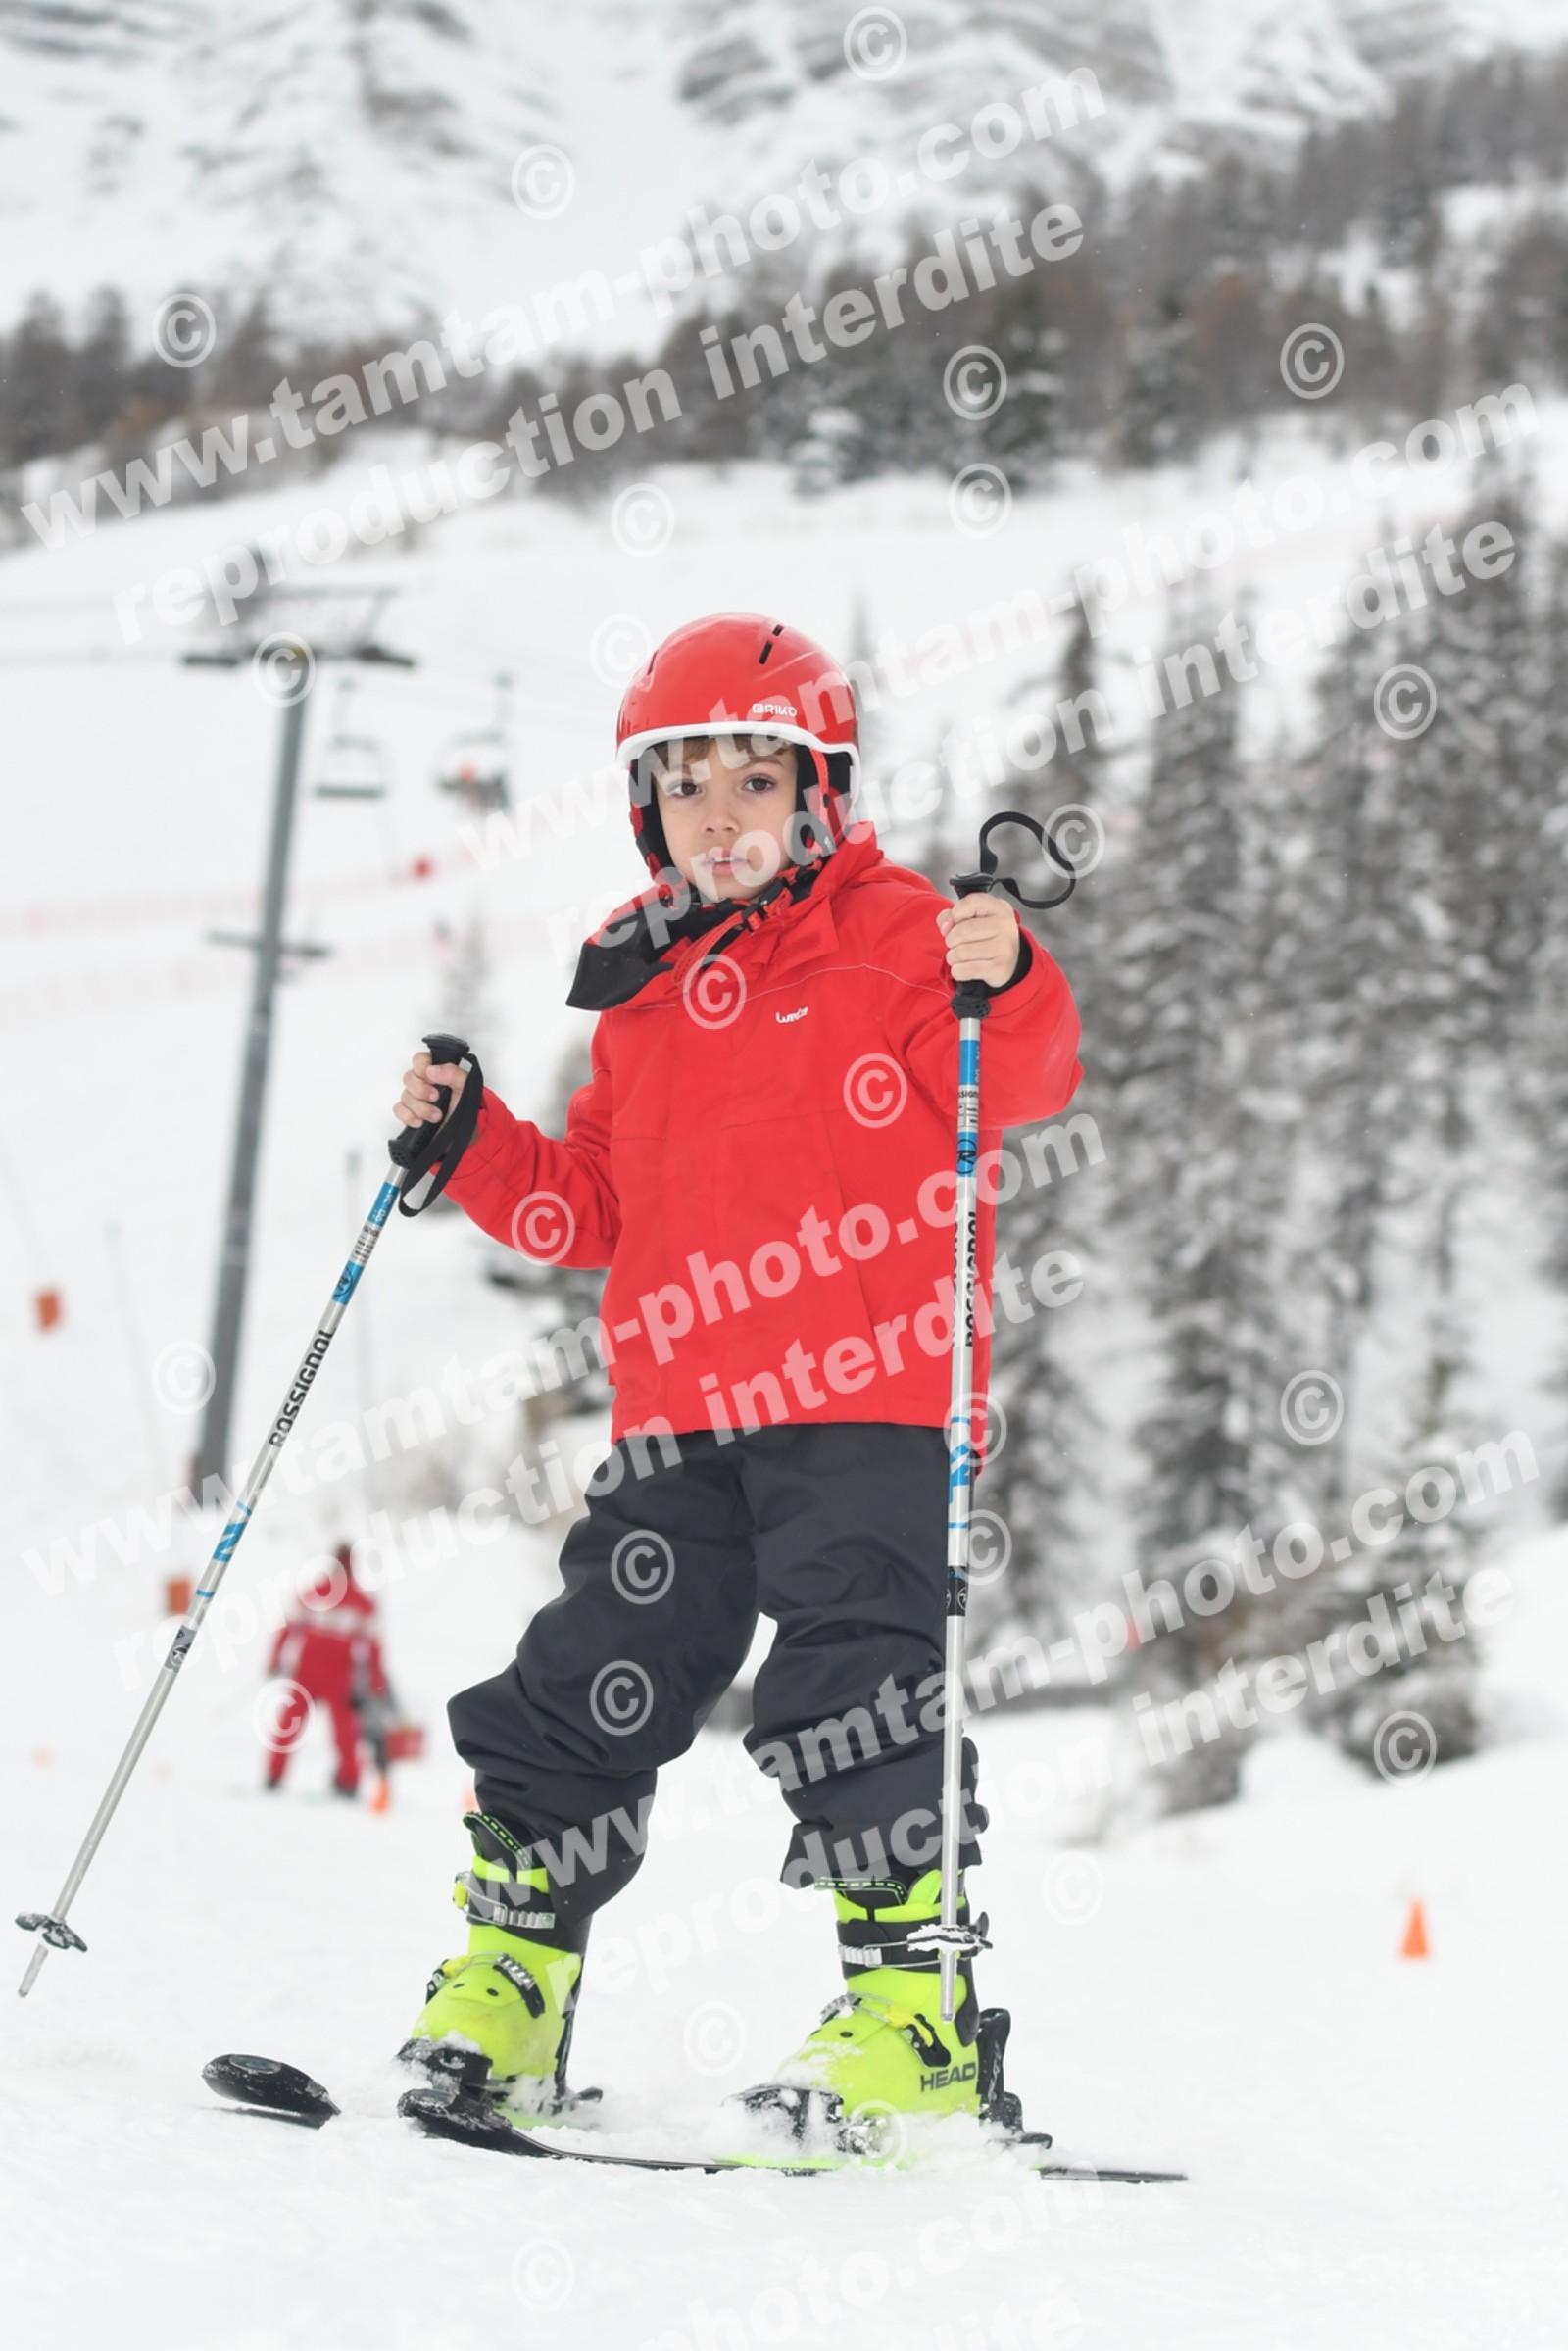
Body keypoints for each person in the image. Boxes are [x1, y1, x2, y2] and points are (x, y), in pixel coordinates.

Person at [392, 613, 1081, 2135]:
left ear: (818, 791)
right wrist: (474, 1145)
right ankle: (512, 1981)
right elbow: (593, 1209)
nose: (718, 813)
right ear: (649, 805)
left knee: (859, 1693)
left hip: (869, 1397)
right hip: (680, 1416)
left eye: (754, 780)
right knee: (589, 1674)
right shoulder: (643, 988)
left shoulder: (901, 931)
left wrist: (1015, 971)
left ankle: (912, 2017)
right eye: (686, 781)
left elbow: (1026, 1074)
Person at [263, 1543, 388, 1799]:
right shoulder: (347, 1599)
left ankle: (342, 1780)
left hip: (331, 1677)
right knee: (324, 1731)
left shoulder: (338, 1597)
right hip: (311, 1675)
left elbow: (373, 1646)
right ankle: (344, 1780)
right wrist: (375, 1680)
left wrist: (275, 1658)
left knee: (338, 1732)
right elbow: (373, 1647)